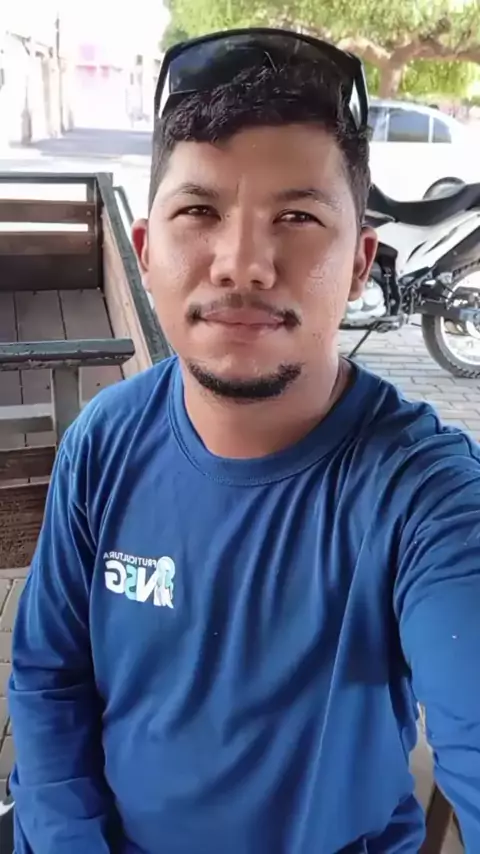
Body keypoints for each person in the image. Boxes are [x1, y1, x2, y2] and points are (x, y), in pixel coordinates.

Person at [8, 27, 480, 854]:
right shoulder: (102, 445)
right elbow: (50, 682)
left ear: (360, 262)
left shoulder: (426, 495)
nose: (243, 264)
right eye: (200, 211)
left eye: (297, 216)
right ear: (147, 251)